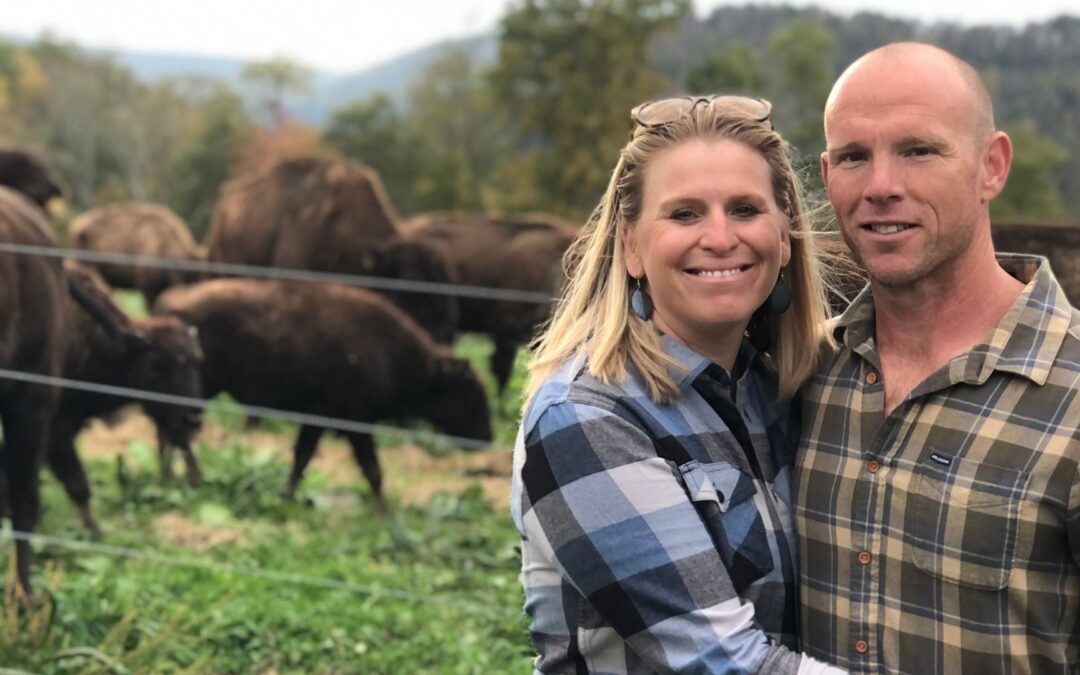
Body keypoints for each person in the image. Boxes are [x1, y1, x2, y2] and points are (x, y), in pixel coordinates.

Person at [511, 96, 844, 673]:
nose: (719, 237)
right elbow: (728, 664)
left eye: (744, 209)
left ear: (784, 239)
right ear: (632, 246)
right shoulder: (586, 418)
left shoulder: (777, 391)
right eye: (684, 214)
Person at [795, 42, 1080, 673]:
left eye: (919, 150)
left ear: (992, 166)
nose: (881, 187)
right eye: (852, 157)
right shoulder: (801, 374)